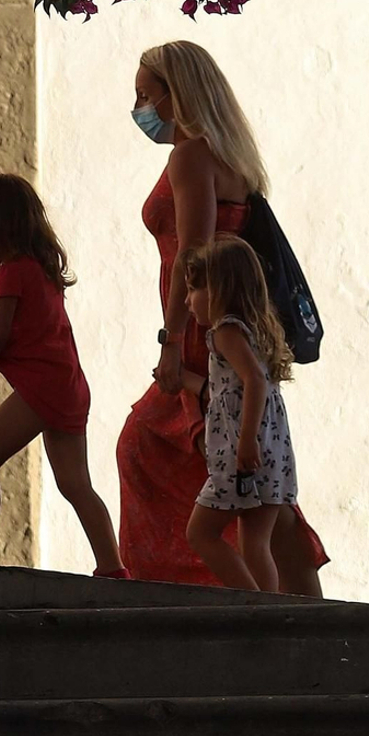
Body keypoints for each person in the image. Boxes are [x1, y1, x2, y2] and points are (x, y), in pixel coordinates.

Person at [115, 39, 328, 594]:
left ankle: (187, 587)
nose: (140, 108)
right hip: (217, 323)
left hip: (200, 328)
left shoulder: (190, 155)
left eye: (146, 95)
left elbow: (193, 252)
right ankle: (292, 598)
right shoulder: (227, 156)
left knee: (146, 446)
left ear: (176, 94)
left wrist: (172, 338)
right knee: (249, 479)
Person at [0, 172, 123, 576]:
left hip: (42, 390)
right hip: (67, 387)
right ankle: (112, 566)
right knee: (76, 485)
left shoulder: (12, 273)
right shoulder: (42, 269)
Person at [182, 238, 300, 592]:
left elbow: (254, 381)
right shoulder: (255, 330)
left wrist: (246, 441)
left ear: (218, 289)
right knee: (256, 544)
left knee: (200, 532)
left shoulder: (226, 332)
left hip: (244, 454)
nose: (188, 302)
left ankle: (250, 602)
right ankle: (269, 613)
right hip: (272, 452)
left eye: (194, 290)